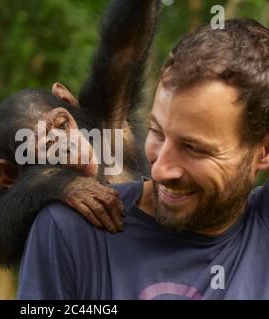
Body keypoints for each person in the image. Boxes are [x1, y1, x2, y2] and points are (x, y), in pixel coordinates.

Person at [17, 18, 269, 300]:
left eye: (194, 148)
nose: (159, 170)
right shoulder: (71, 230)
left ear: (264, 151)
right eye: (156, 132)